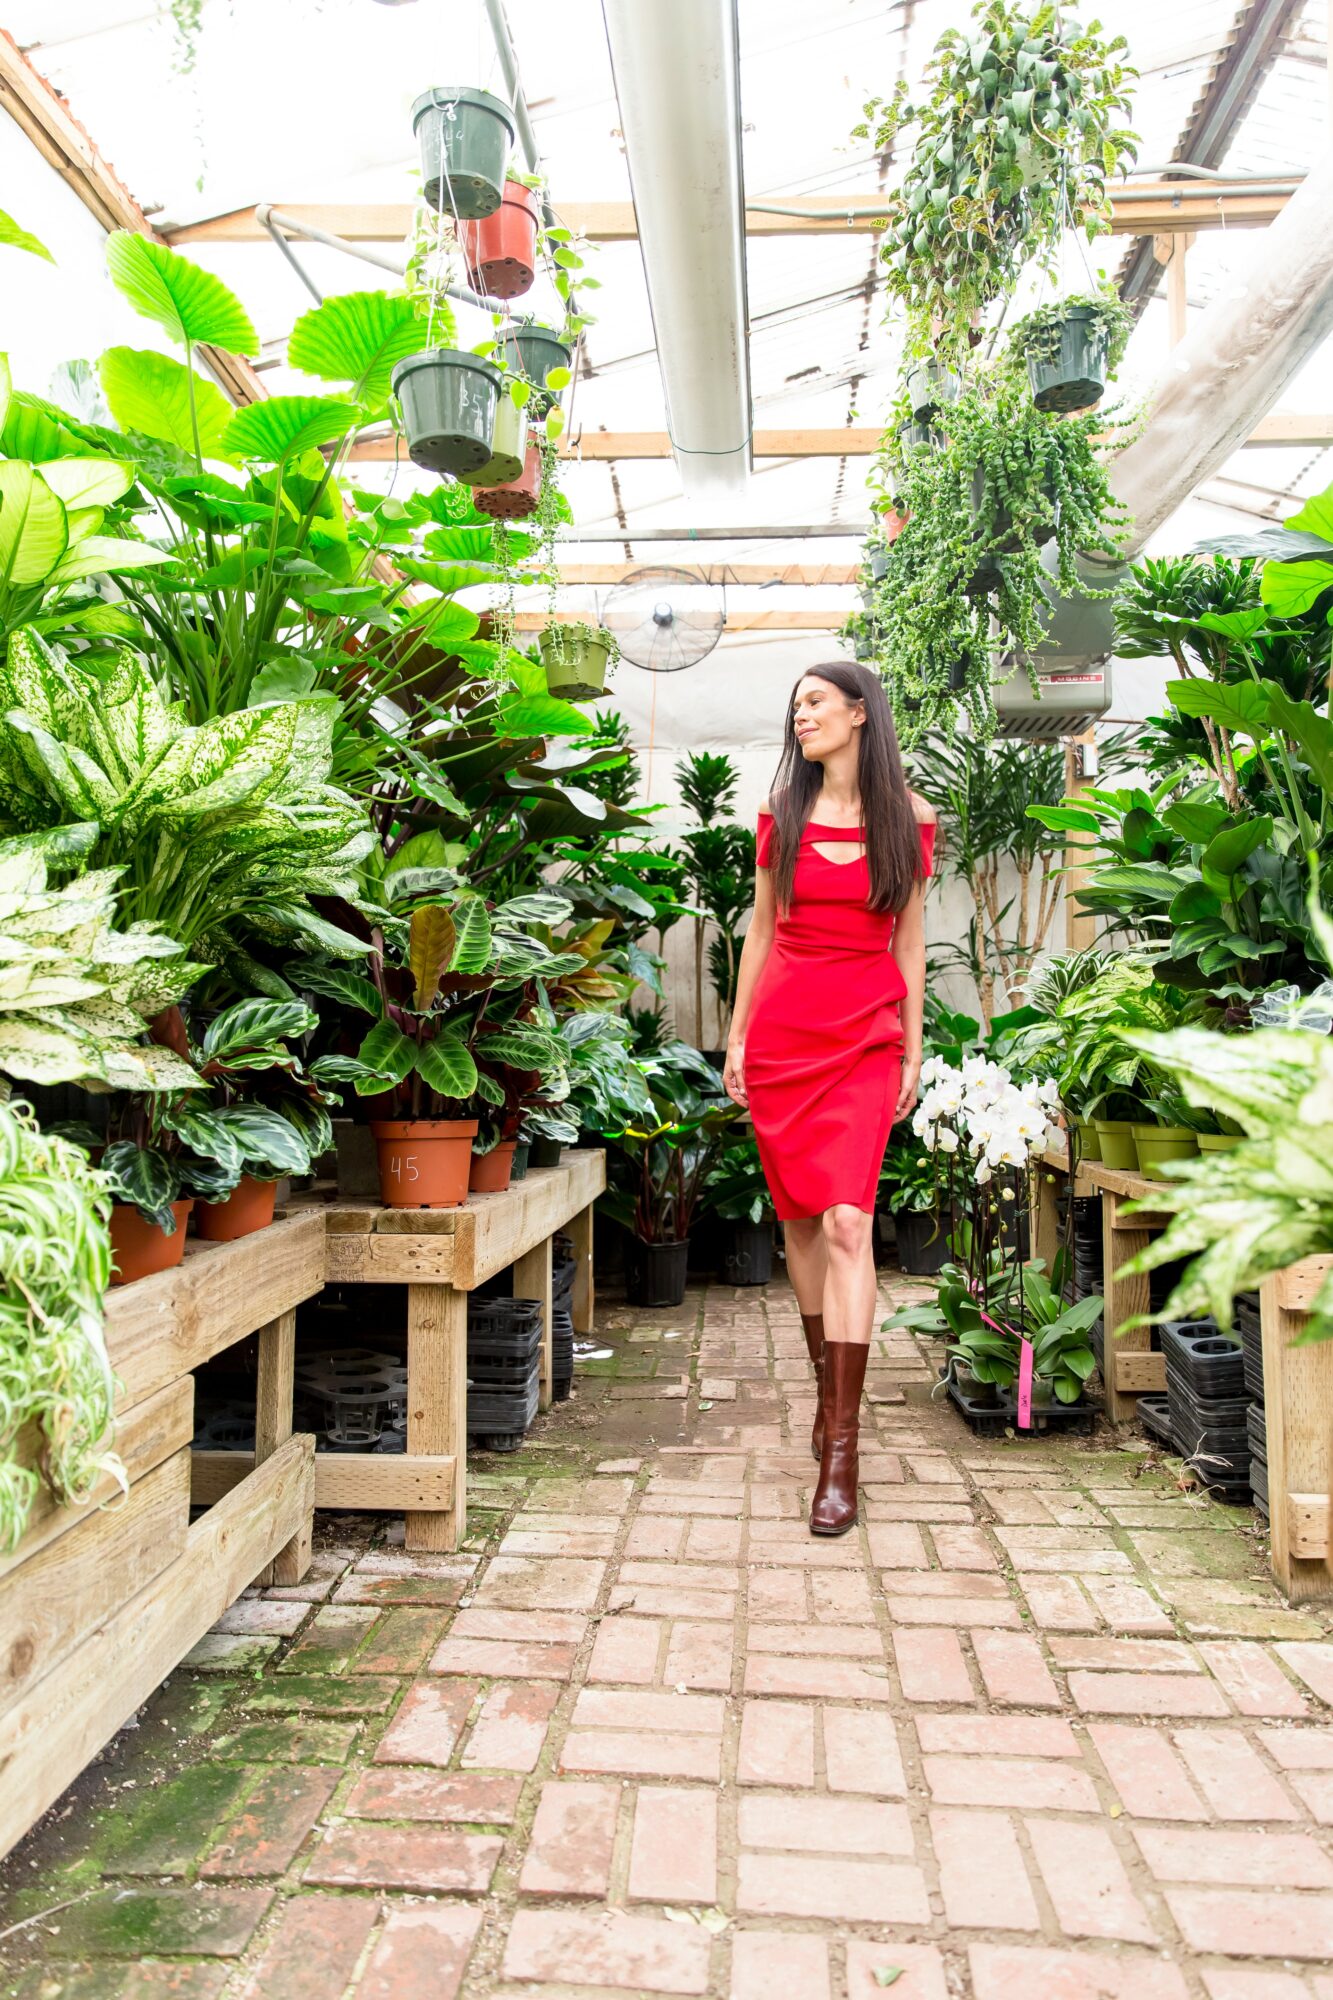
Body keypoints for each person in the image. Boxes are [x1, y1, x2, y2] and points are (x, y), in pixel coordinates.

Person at [723, 661, 935, 1536]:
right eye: (795, 702)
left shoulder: (909, 820)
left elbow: (912, 943)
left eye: (814, 700)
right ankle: (824, 1397)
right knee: (804, 1222)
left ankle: (841, 1452)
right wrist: (736, 1039)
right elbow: (762, 933)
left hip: (865, 1038)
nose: (800, 714)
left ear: (858, 712)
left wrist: (914, 1048)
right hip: (784, 1038)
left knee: (850, 1219)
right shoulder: (784, 815)